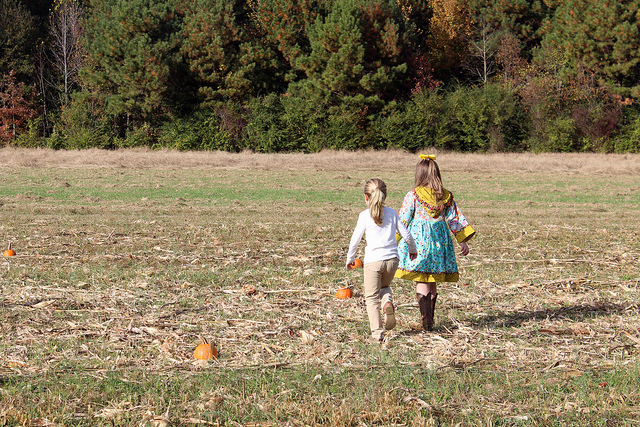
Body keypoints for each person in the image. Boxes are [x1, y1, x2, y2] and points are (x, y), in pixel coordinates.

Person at [395, 154, 475, 331]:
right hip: (439, 242)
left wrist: (394, 239)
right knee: (432, 278)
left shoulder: (413, 195)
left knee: (422, 276)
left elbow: (403, 220)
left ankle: (426, 320)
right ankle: (429, 319)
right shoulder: (444, 196)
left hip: (418, 243)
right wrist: (462, 240)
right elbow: (455, 219)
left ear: (419, 175)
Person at [346, 178, 417, 342]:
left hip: (373, 262)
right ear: (385, 196)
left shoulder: (364, 215)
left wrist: (350, 258)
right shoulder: (392, 213)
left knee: (371, 297)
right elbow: (406, 234)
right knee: (384, 286)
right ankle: (387, 304)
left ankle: (377, 333)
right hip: (392, 260)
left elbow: (355, 239)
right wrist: (413, 249)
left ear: (366, 197)